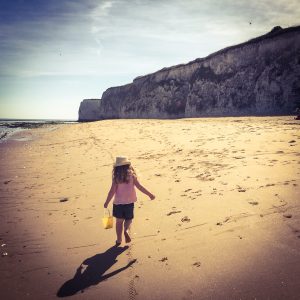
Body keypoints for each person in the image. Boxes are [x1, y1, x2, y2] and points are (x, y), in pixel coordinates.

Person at [104, 156, 155, 246]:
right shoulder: (131, 176)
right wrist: (150, 194)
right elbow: (140, 187)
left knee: (119, 222)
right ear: (128, 166)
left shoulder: (116, 178)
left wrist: (106, 202)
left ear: (116, 168)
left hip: (118, 204)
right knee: (129, 219)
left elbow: (112, 191)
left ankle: (119, 240)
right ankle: (126, 230)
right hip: (129, 203)